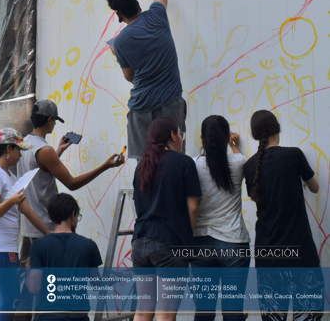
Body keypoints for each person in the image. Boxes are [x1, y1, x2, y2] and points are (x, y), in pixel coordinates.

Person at [18, 100, 126, 263]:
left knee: (38, 280)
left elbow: (38, 172)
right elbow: (72, 183)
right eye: (55, 121)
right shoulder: (45, 150)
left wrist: (59, 151)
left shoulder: (24, 144)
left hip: (30, 224)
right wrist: (105, 166)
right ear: (49, 120)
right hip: (47, 226)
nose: (54, 125)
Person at [244, 110, 323, 321]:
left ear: (254, 135)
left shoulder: (250, 166)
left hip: (267, 256)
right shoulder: (293, 155)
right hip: (300, 253)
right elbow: (315, 188)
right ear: (277, 129)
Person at [132, 116, 200, 321]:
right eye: (180, 133)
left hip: (140, 243)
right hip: (170, 245)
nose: (181, 138)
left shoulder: (141, 165)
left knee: (143, 311)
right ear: (172, 135)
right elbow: (194, 208)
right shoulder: (184, 162)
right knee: (166, 313)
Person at [0, 128, 50, 321]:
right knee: (10, 300)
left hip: (1, 249)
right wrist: (11, 201)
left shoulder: (9, 177)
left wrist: (48, 234)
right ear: (9, 149)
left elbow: (27, 210)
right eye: (19, 150)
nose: (20, 155)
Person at [106, 0, 185, 159]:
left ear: (118, 15)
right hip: (170, 102)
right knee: (175, 158)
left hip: (142, 108)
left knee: (146, 164)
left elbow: (130, 77)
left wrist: (116, 54)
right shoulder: (157, 16)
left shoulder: (119, 43)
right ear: (138, 4)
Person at [191, 116, 250, 321]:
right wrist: (234, 145)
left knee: (204, 310)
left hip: (200, 245)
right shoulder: (239, 162)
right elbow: (239, 158)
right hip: (234, 242)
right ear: (226, 137)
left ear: (201, 139)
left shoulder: (193, 165)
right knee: (233, 311)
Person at [26, 193, 102, 321]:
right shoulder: (88, 245)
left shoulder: (39, 246)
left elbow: (34, 289)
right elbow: (97, 284)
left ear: (52, 216)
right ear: (73, 214)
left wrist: (28, 268)